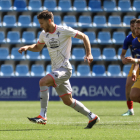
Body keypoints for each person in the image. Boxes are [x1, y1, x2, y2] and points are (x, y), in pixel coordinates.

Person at [18, 10, 100, 129]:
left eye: (42, 23)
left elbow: (84, 36)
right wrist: (27, 47)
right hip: (57, 70)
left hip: (65, 69)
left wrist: (89, 54)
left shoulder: (64, 30)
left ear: (49, 21)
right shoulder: (43, 34)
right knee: (68, 101)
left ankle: (42, 115)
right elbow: (37, 47)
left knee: (43, 82)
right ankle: (92, 116)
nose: (40, 26)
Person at [121, 18, 139, 116]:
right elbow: (122, 54)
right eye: (133, 27)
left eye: (136, 27)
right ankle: (130, 110)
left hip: (136, 61)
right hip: (136, 63)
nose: (134, 29)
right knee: (128, 85)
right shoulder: (130, 39)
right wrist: (123, 58)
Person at [124, 19, 140, 103]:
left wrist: (134, 60)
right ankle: (130, 110)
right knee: (133, 95)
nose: (136, 30)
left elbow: (136, 59)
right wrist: (134, 71)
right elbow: (137, 59)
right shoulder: (135, 41)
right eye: (135, 28)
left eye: (138, 28)